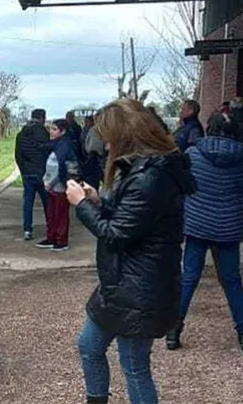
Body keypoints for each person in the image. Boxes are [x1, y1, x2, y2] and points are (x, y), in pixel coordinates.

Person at [66, 98, 195, 404]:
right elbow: (132, 220)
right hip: (123, 282)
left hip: (141, 288)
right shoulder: (146, 169)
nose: (107, 147)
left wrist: (81, 205)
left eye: (110, 139)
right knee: (89, 346)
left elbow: (116, 235)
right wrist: (99, 202)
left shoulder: (151, 177)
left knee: (134, 365)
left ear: (126, 136)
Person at [168, 113, 243, 353]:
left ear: (209, 128)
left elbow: (184, 184)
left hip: (198, 223)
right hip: (229, 225)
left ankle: (174, 331)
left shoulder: (193, 153)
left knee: (189, 278)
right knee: (232, 280)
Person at [36, 119, 78, 252]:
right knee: (51, 213)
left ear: (63, 131)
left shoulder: (64, 146)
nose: (51, 132)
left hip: (60, 186)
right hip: (51, 185)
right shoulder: (55, 145)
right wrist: (45, 179)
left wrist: (50, 182)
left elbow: (61, 168)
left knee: (60, 214)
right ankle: (51, 237)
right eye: (51, 129)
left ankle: (61, 240)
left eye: (54, 129)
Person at [15, 108, 50, 241]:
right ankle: (50, 227)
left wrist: (23, 171)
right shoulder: (43, 133)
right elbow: (47, 153)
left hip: (27, 173)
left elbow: (18, 156)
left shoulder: (21, 134)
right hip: (41, 173)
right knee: (47, 202)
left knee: (28, 203)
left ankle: (27, 230)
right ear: (41, 118)